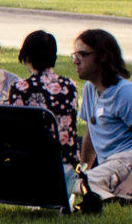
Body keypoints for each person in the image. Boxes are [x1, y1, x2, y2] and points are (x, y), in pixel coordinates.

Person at [74, 28, 132, 203]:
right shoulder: (90, 89)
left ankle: (121, 197)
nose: (76, 61)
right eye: (75, 55)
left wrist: (131, 180)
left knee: (77, 184)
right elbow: (90, 135)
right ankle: (129, 195)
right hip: (113, 163)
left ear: (103, 57)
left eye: (82, 54)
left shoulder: (125, 93)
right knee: (77, 181)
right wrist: (83, 168)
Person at [6, 30, 80, 165]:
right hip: (68, 160)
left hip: (36, 162)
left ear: (27, 57)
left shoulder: (21, 88)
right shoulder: (70, 85)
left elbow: (16, 130)